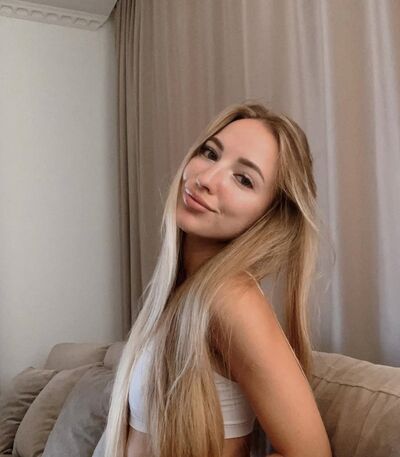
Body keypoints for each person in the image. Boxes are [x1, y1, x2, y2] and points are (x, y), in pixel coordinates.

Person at [104, 102, 333, 457]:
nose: (206, 179)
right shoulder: (184, 292)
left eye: (243, 179)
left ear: (269, 216)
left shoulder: (230, 300)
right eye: (210, 153)